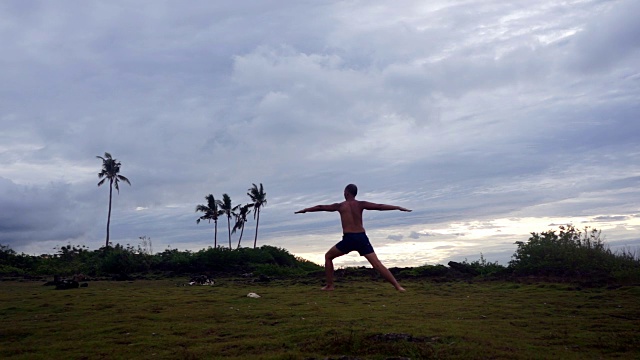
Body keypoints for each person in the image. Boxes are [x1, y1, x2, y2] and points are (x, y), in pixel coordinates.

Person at [295, 184, 411, 291]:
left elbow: (321, 207)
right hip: (361, 237)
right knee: (377, 264)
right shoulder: (361, 204)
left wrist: (305, 210)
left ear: (347, 193)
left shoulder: (340, 206)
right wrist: (397, 207)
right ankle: (398, 287)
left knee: (328, 257)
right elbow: (379, 206)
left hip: (349, 238)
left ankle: (330, 285)